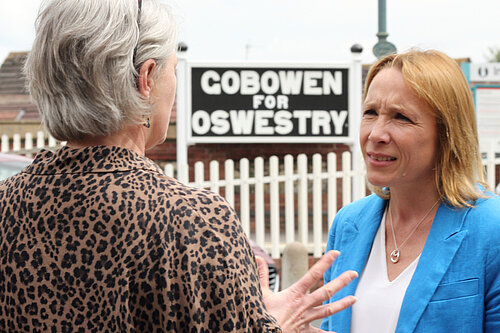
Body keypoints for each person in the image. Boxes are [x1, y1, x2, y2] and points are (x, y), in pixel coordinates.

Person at [0, 0, 358, 332]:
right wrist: (270, 324)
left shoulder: (6, 205)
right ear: (146, 79)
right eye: (172, 70)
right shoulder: (194, 221)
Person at [321, 49, 500, 333]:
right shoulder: (348, 223)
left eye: (401, 117)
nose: (376, 134)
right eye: (370, 112)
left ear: (447, 132)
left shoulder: (492, 228)